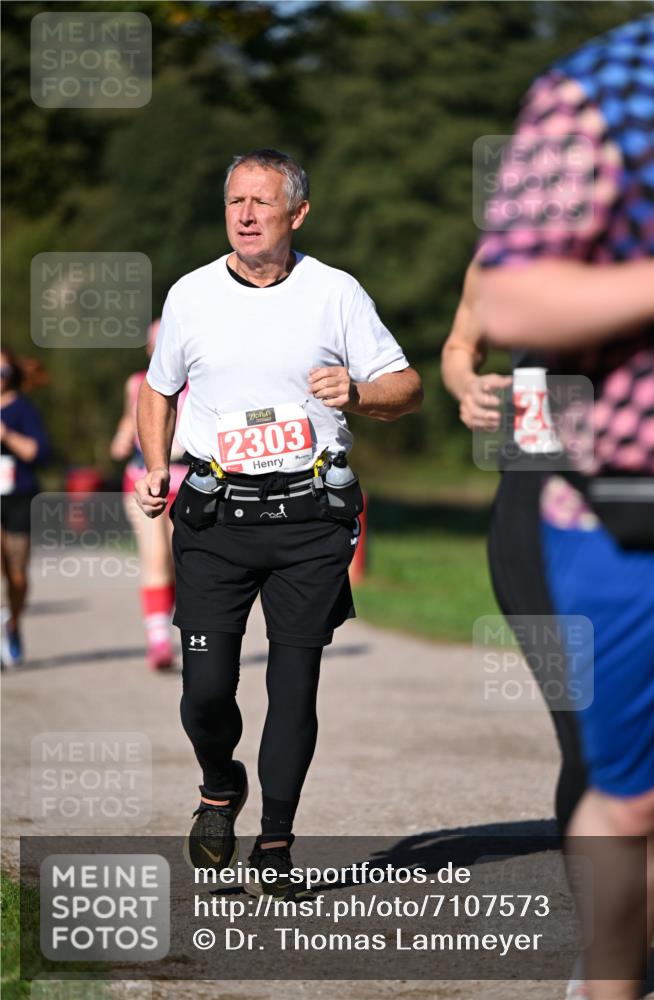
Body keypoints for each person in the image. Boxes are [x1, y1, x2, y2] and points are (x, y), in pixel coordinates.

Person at [134, 148, 422, 895]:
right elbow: (158, 391)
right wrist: (156, 461)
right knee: (205, 688)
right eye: (235, 202)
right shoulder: (192, 294)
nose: (246, 215)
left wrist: (358, 394)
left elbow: (407, 388)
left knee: (294, 684)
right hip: (215, 516)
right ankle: (218, 783)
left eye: (262, 202)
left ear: (297, 213)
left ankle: (275, 843)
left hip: (310, 518)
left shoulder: (335, 293)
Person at [477, 13, 654, 1000]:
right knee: (634, 800)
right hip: (633, 509)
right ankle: (608, 980)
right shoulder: (600, 92)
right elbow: (510, 301)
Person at [441, 258, 588, 840]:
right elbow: (460, 344)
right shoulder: (507, 254)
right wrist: (467, 385)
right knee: (587, 736)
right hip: (536, 505)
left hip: (646, 507)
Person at [110, 320, 189, 671]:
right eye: (154, 346)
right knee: (155, 558)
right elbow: (131, 419)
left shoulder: (199, 385)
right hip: (143, 480)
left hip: (188, 481)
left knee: (177, 562)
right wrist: (122, 437)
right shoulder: (136, 383)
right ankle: (158, 642)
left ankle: (167, 627)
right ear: (148, 351)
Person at [0, 349, 49, 666]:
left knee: (16, 577)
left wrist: (5, 434)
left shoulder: (23, 409)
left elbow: (37, 451)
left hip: (18, 498)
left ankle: (13, 624)